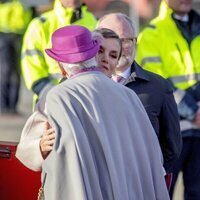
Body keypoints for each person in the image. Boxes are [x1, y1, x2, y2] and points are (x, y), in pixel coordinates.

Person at [44, 24, 169, 200]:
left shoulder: (60, 96)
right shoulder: (128, 95)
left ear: (61, 66)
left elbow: (64, 163)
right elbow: (153, 155)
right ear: (92, 56)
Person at [16, 27, 123, 170]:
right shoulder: (54, 97)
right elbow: (27, 147)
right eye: (100, 51)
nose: (105, 59)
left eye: (113, 55)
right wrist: (40, 147)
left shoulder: (124, 96)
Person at [97, 13, 182, 175]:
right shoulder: (81, 85)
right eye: (111, 39)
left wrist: (150, 177)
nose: (119, 47)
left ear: (135, 42)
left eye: (125, 40)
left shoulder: (159, 87)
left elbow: (172, 147)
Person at [136, 0, 200, 199]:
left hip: (198, 132)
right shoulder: (151, 35)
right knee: (163, 193)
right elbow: (157, 84)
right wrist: (194, 111)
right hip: (171, 131)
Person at [20, 0, 97, 105]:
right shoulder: (40, 25)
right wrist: (56, 97)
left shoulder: (95, 22)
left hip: (90, 100)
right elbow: (33, 71)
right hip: (50, 102)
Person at [0, 0, 33, 114]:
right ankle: (3, 106)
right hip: (3, 34)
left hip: (19, 34)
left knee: (16, 73)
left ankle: (12, 107)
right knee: (4, 71)